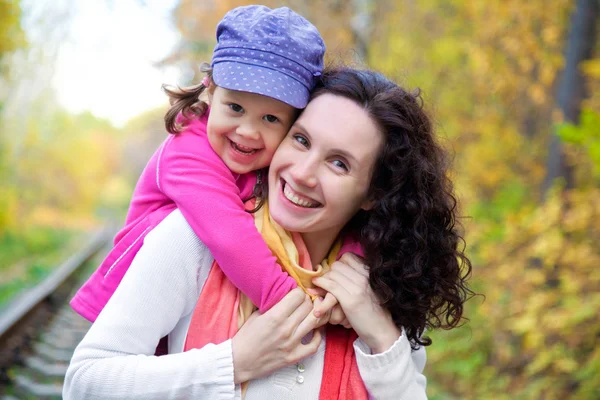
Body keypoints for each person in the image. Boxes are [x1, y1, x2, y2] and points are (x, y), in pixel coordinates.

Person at [63, 67, 472, 399]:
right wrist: (234, 362)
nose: (302, 173)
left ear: (373, 193)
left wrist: (382, 335)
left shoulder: (382, 286)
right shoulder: (192, 239)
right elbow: (85, 382)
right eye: (301, 140)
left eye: (339, 164)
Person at [70, 5, 327, 323]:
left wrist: (349, 265)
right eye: (235, 107)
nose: (247, 131)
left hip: (205, 302)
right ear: (210, 90)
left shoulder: (281, 162)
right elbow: (229, 235)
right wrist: (295, 308)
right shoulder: (187, 151)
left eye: (271, 118)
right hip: (144, 304)